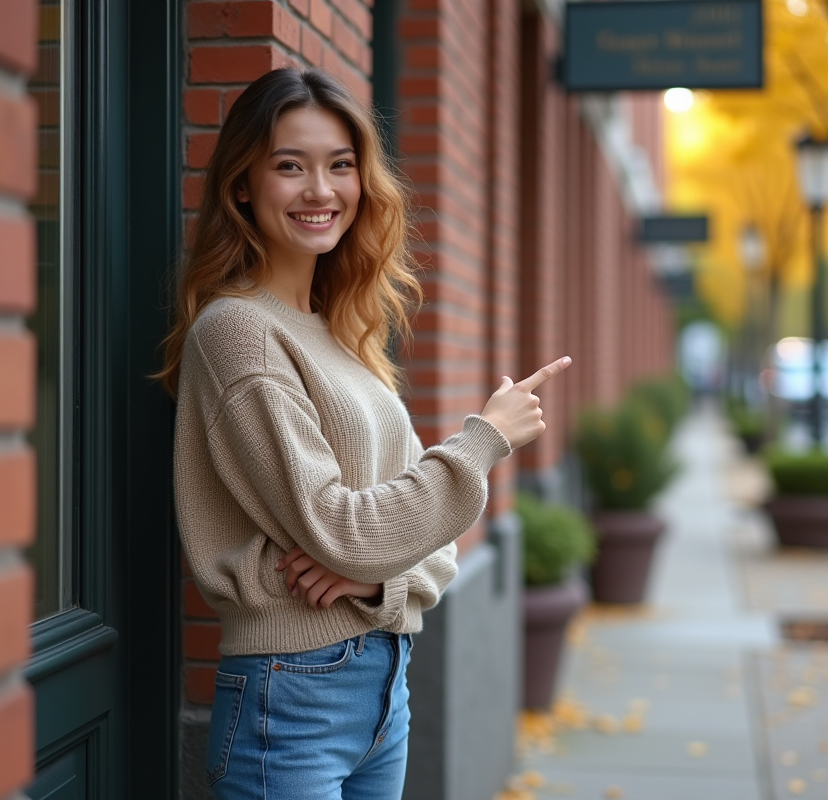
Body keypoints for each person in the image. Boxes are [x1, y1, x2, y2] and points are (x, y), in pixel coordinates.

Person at [156, 67, 570, 799]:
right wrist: (481, 442)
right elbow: (340, 527)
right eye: (291, 165)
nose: (321, 190)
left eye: (340, 165)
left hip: (385, 688)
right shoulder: (240, 335)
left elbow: (430, 545)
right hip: (290, 700)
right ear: (243, 184)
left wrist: (380, 576)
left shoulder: (338, 334)